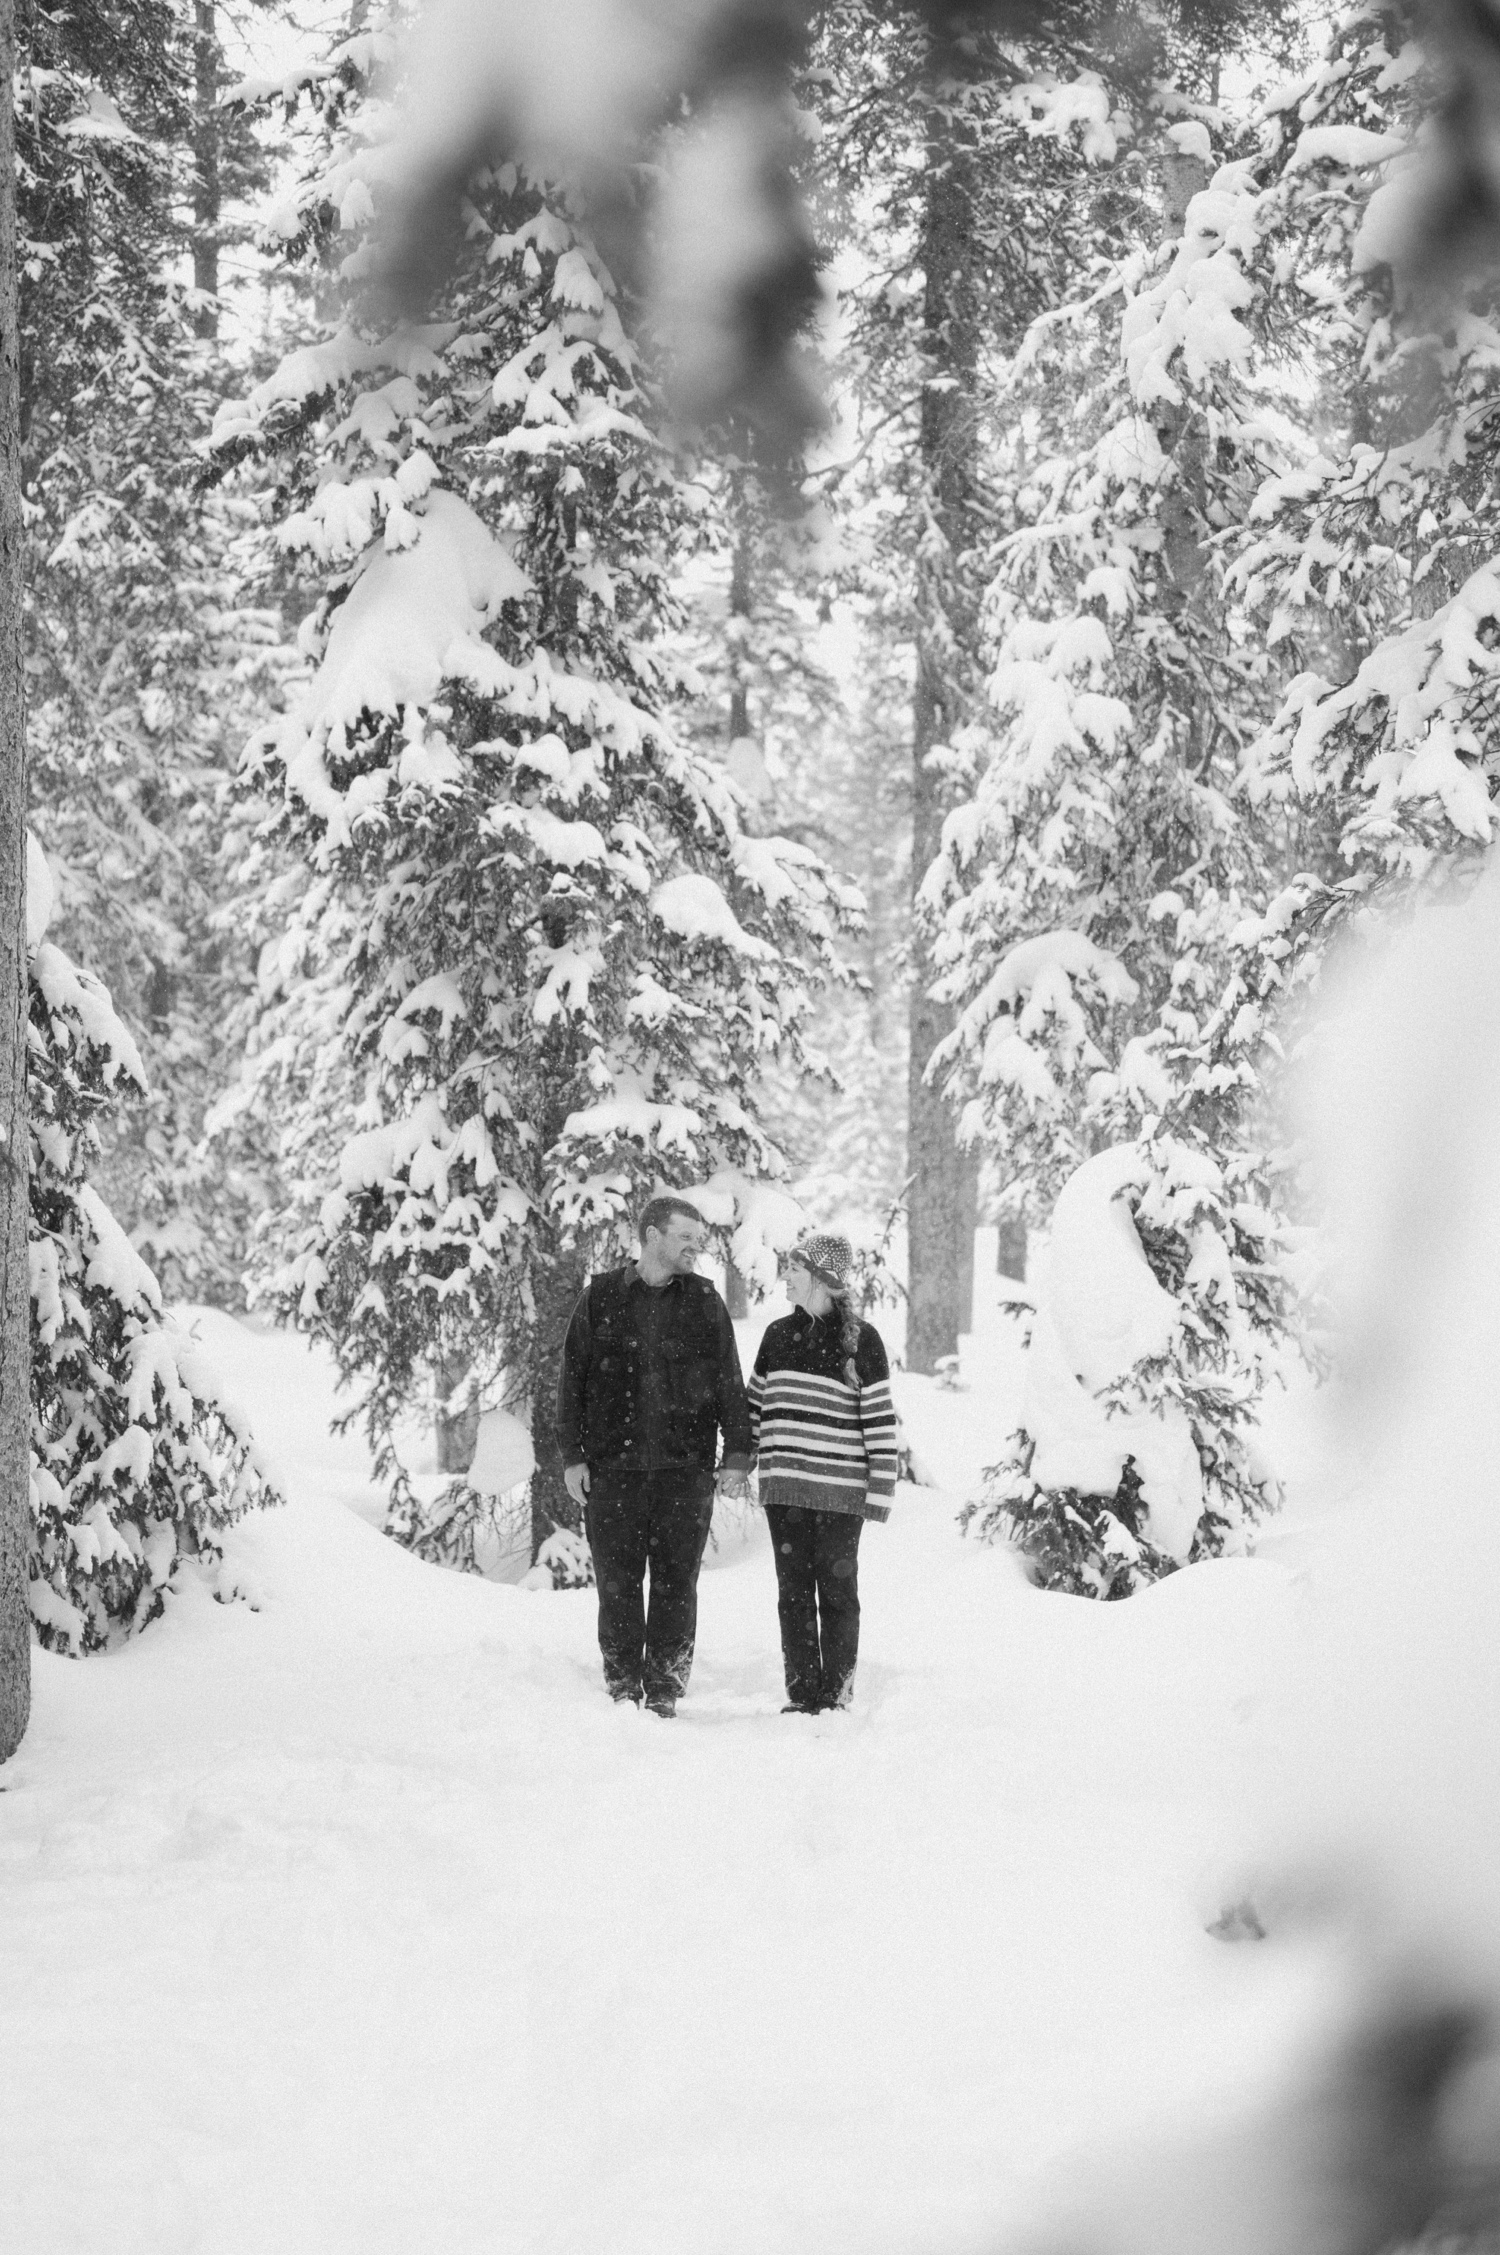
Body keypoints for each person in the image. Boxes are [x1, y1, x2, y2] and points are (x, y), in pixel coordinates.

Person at [556, 1195, 752, 1716]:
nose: (696, 1246)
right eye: (686, 1236)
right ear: (651, 1236)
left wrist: (736, 1454)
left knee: (675, 1582)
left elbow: (729, 1381)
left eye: (700, 1238)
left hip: (684, 1472)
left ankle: (664, 1686)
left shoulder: (706, 1302)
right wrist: (572, 1455)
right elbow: (571, 1379)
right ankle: (622, 1684)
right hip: (612, 1472)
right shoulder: (601, 1298)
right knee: (617, 1584)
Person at [749, 1234, 898, 1714]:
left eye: (794, 1268)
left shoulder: (861, 1340)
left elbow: (878, 1420)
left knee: (836, 1593)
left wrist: (880, 1490)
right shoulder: (775, 1335)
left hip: (840, 1494)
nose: (785, 1277)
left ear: (822, 1279)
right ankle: (803, 1694)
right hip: (784, 1490)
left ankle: (836, 1695)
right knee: (792, 1593)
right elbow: (754, 1409)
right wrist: (737, 1461)